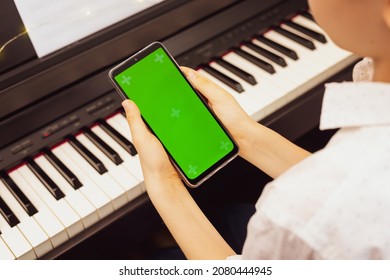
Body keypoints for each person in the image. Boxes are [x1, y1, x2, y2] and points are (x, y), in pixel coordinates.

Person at [121, 0, 390, 259]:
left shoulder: (301, 219)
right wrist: (244, 134)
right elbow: (347, 186)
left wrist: (164, 184)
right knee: (230, 215)